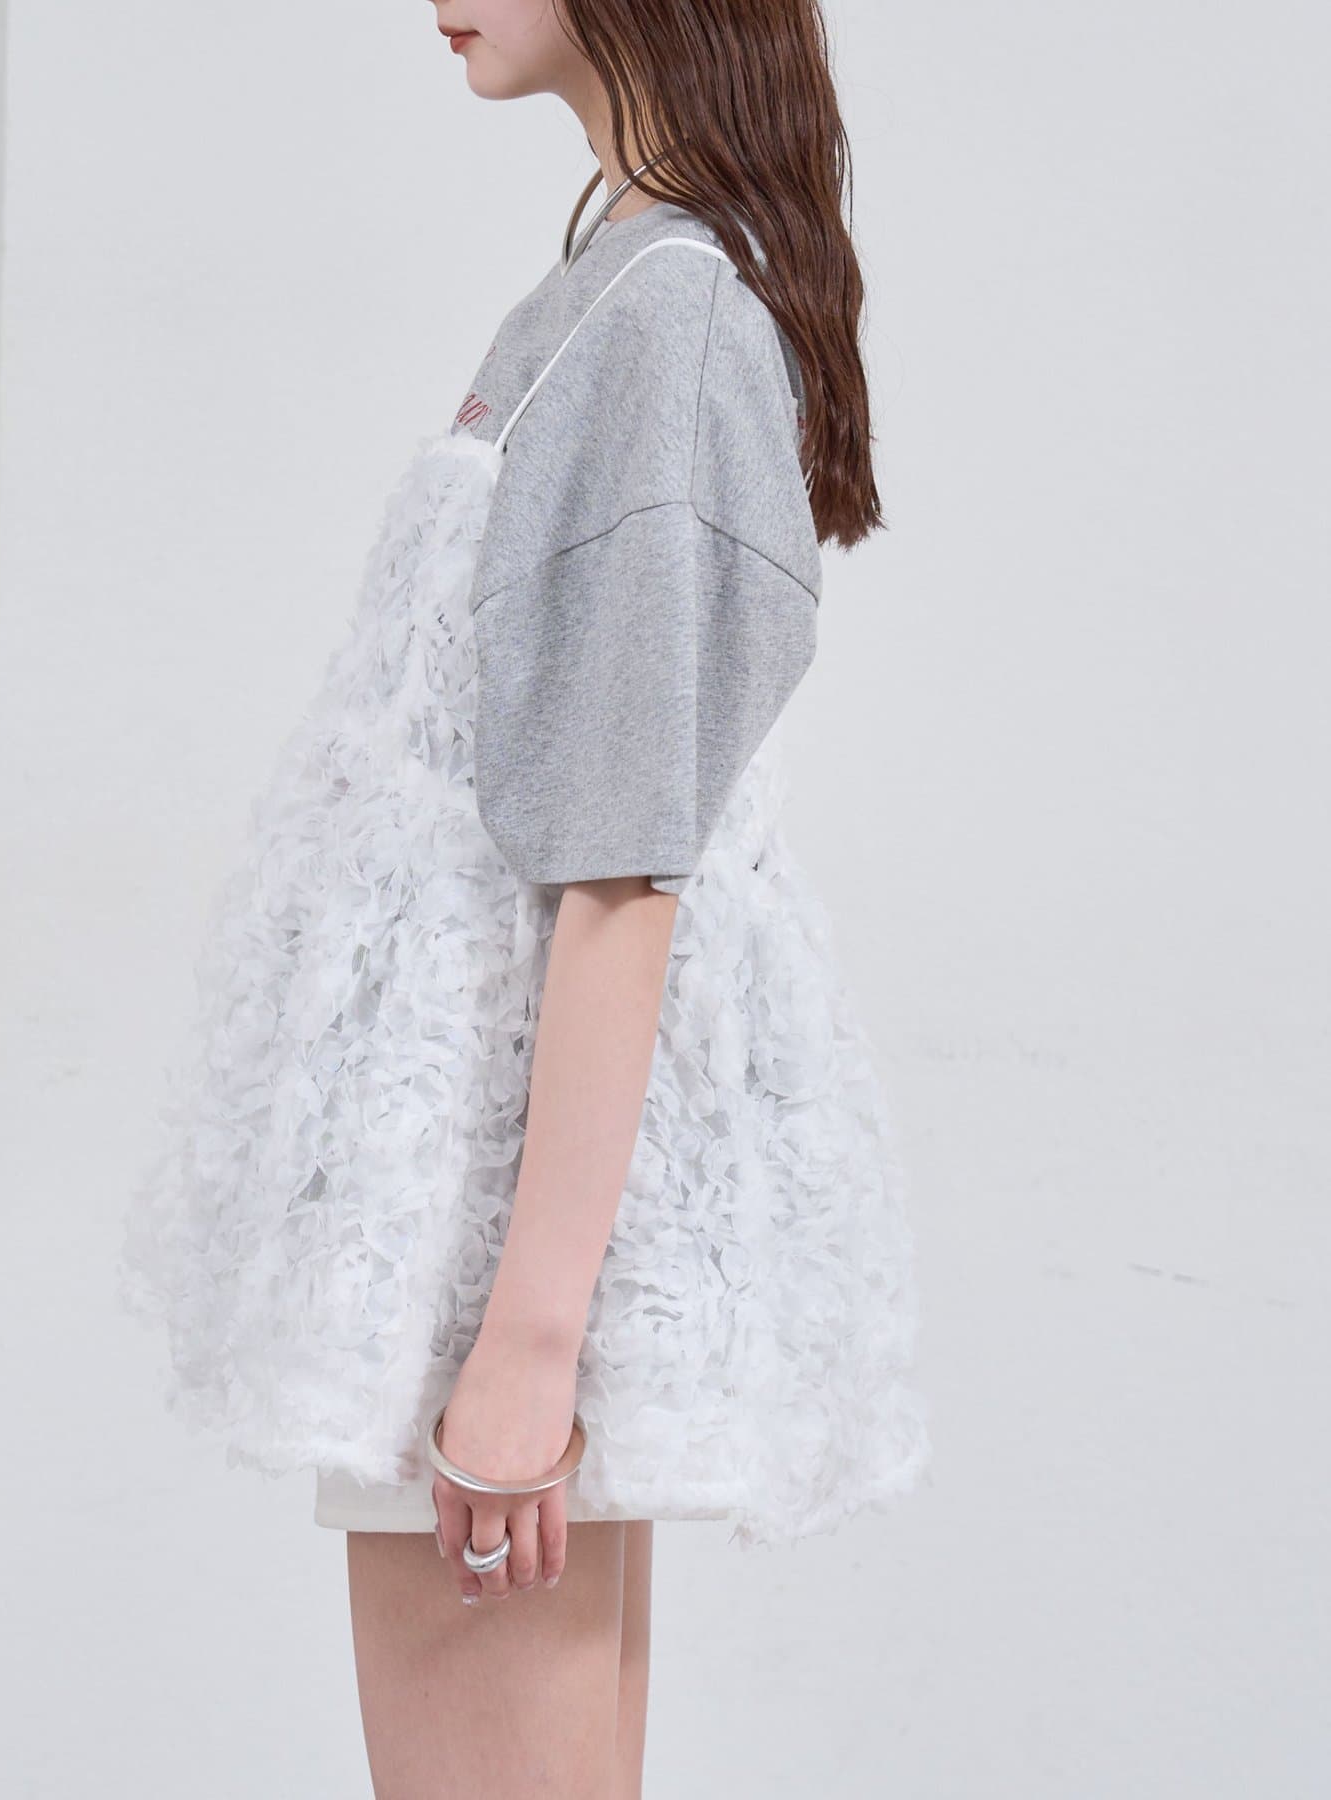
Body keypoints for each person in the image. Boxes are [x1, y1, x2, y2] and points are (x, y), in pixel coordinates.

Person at [122, 1, 930, 1791]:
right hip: (457, 1211)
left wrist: (528, 1340)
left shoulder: (668, 316)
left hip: (484, 1238)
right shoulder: (617, 289)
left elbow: (630, 863)